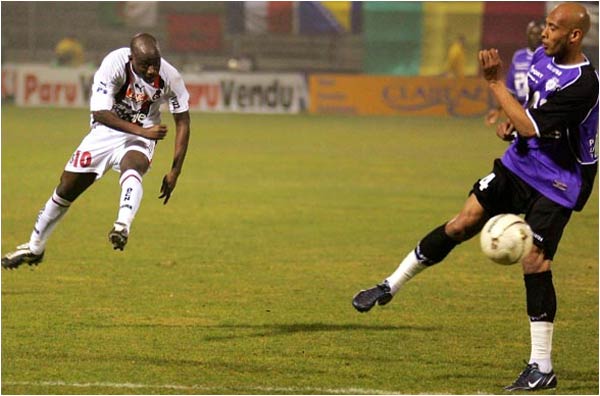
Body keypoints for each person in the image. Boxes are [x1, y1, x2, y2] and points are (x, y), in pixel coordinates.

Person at [352, 2, 597, 392]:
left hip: (560, 181)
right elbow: (531, 115)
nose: (543, 34)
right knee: (462, 222)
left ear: (574, 35)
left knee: (534, 261)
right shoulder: (539, 57)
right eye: (546, 27)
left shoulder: (584, 84)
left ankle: (542, 366)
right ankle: (389, 285)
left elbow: (534, 126)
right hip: (521, 164)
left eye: (552, 28)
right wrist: (510, 126)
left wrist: (495, 83)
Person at [2, 33, 191, 269]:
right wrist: (143, 132)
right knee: (65, 189)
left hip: (142, 133)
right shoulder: (114, 63)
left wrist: (175, 171)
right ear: (132, 58)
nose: (152, 70)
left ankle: (122, 225)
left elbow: (183, 120)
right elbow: (100, 113)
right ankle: (35, 247)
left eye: (156, 63)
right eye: (145, 65)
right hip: (106, 130)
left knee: (133, 166)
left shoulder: (170, 77)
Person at [485, 20, 544, 126]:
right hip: (519, 110)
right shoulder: (518, 56)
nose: (535, 37)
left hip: (540, 111)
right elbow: (510, 90)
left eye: (539, 34)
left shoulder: (550, 57)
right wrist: (497, 109)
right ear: (527, 35)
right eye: (532, 33)